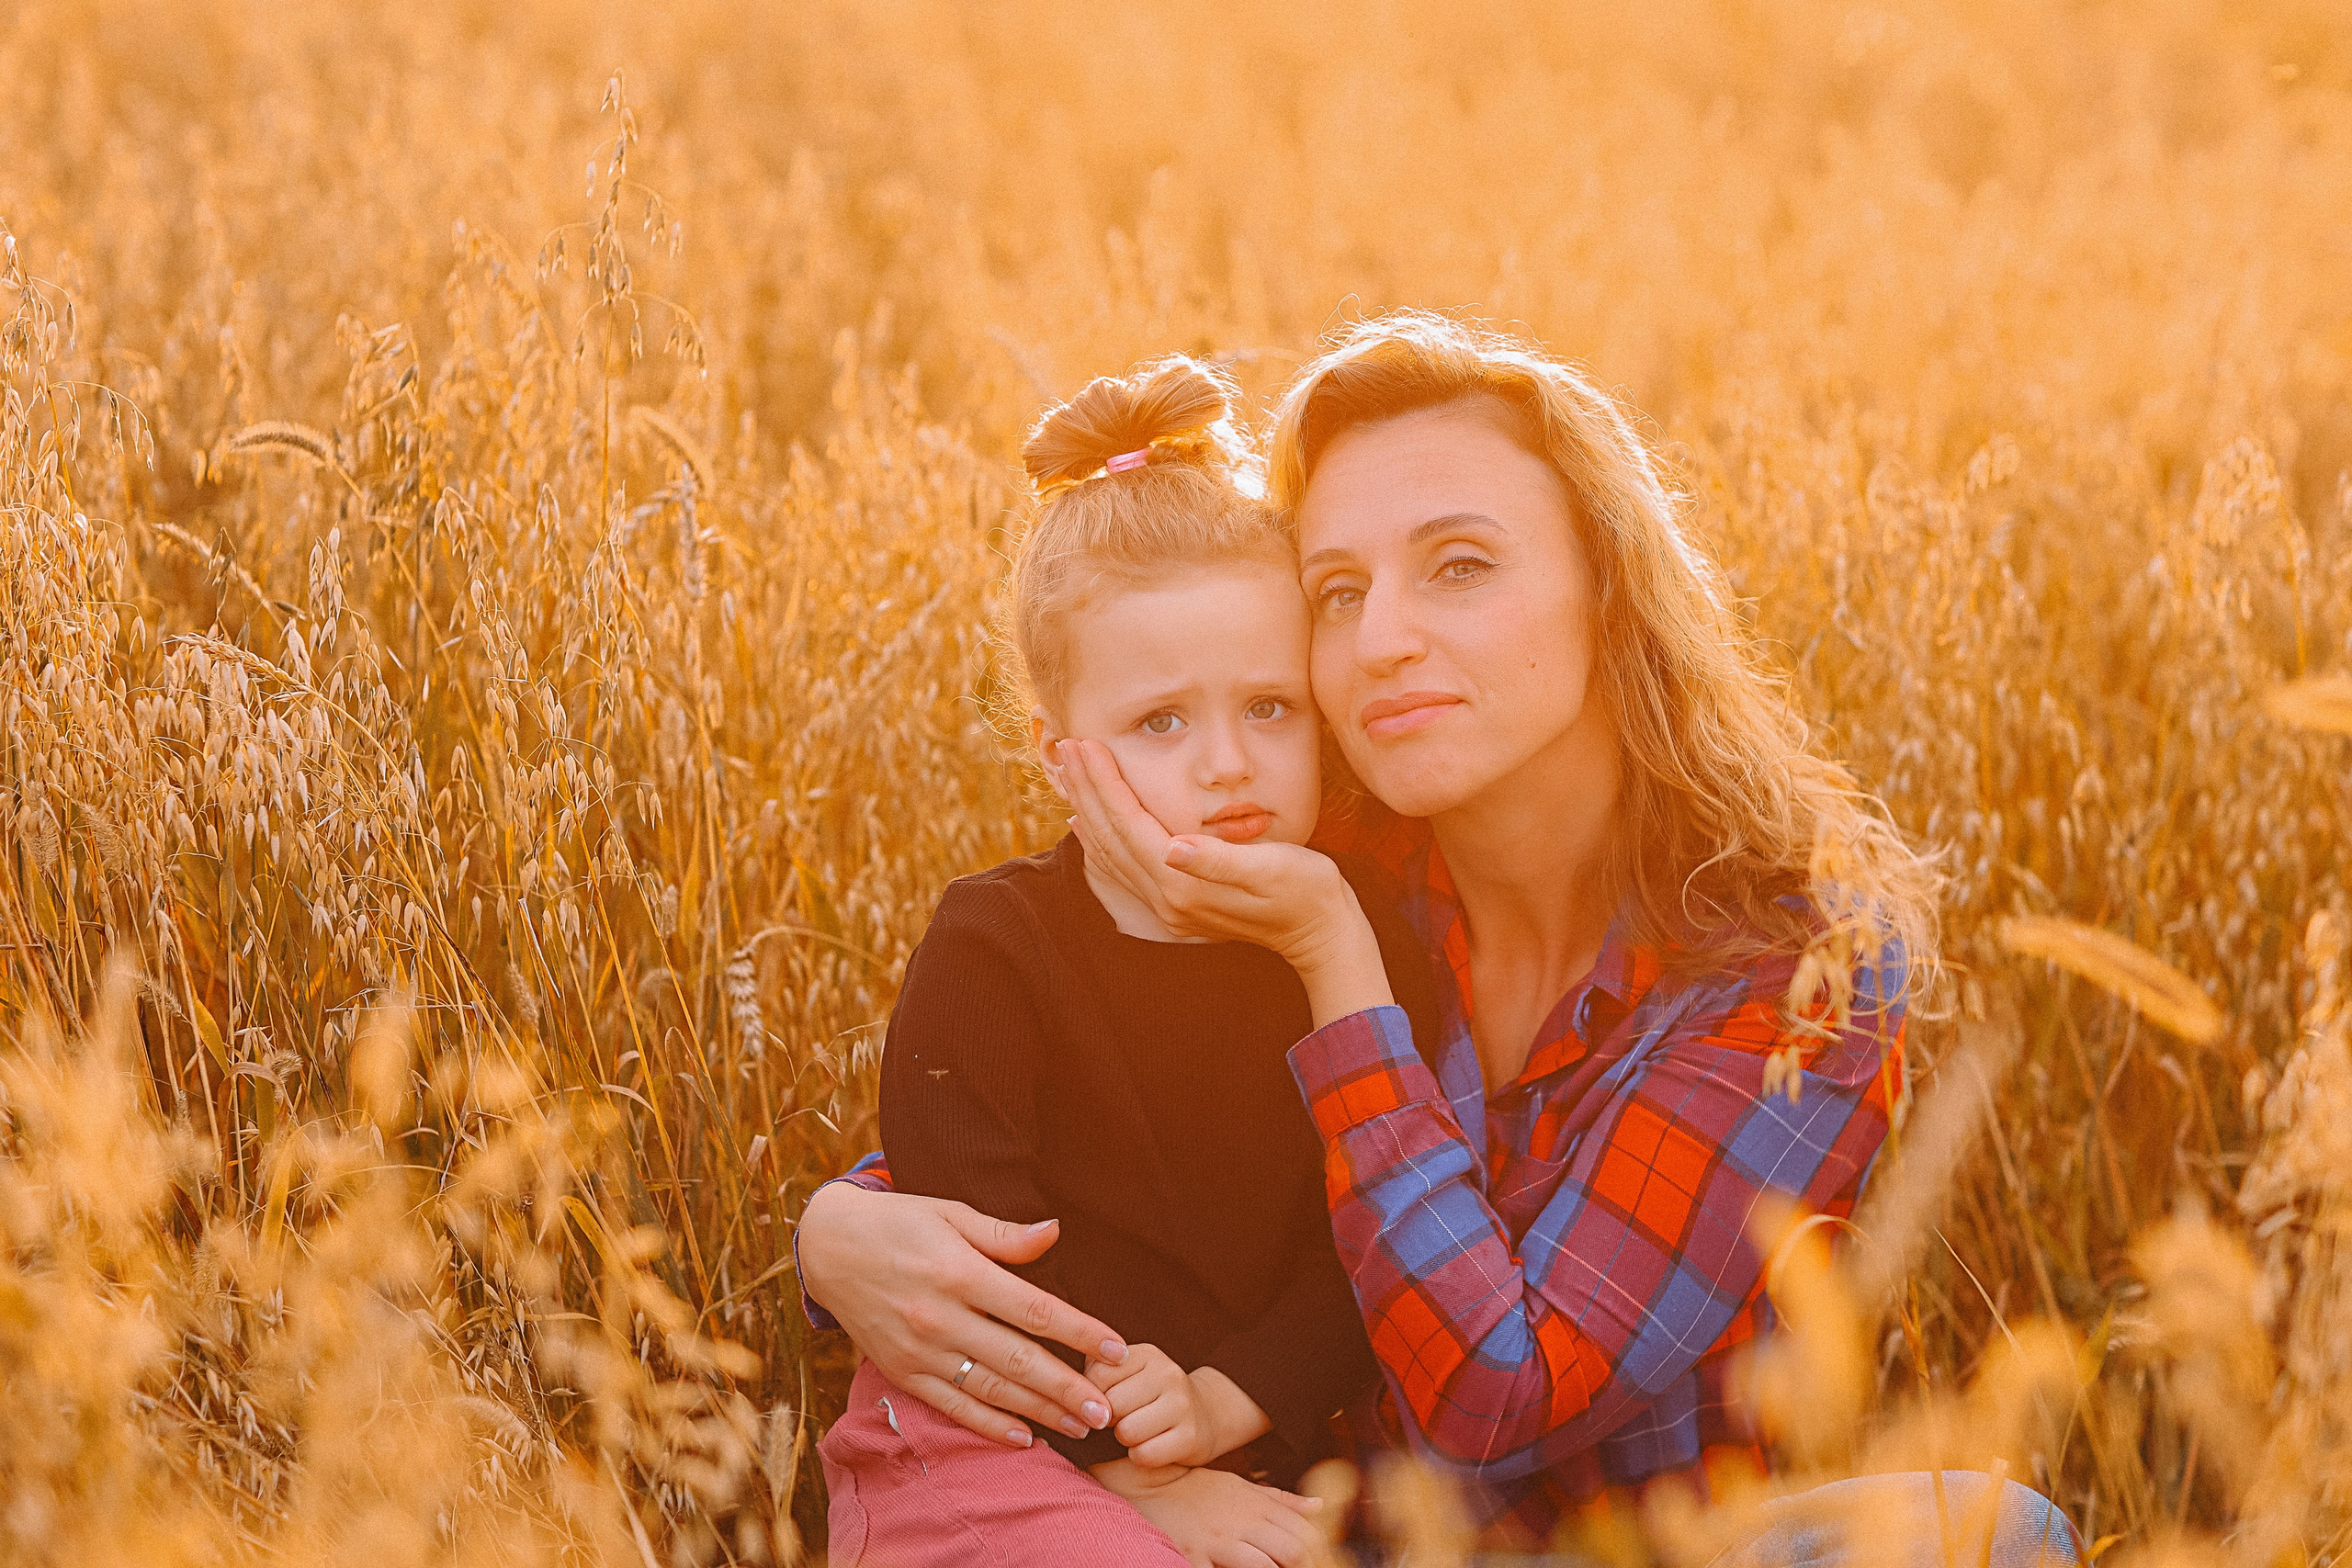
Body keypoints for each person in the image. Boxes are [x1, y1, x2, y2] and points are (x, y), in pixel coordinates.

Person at [799, 313, 2079, 1564]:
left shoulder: (1800, 967)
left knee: (1997, 1533)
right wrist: (843, 1229)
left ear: (1607, 580)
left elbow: (1496, 1402)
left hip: (1616, 1547)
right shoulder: (1329, 842)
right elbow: (1089, 1117)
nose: (1384, 638)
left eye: (1459, 566)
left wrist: (1336, 966)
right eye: (1337, 592)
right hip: (1306, 1530)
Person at [816, 355, 1442, 1568]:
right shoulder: (995, 950)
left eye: (1270, 709)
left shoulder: (1352, 936)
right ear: (1062, 758)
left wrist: (1220, 1405)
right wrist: (1133, 1478)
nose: (1227, 764)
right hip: (987, 1430)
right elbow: (979, 1271)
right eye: (1164, 722)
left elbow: (1359, 1260)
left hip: (1248, 1436)